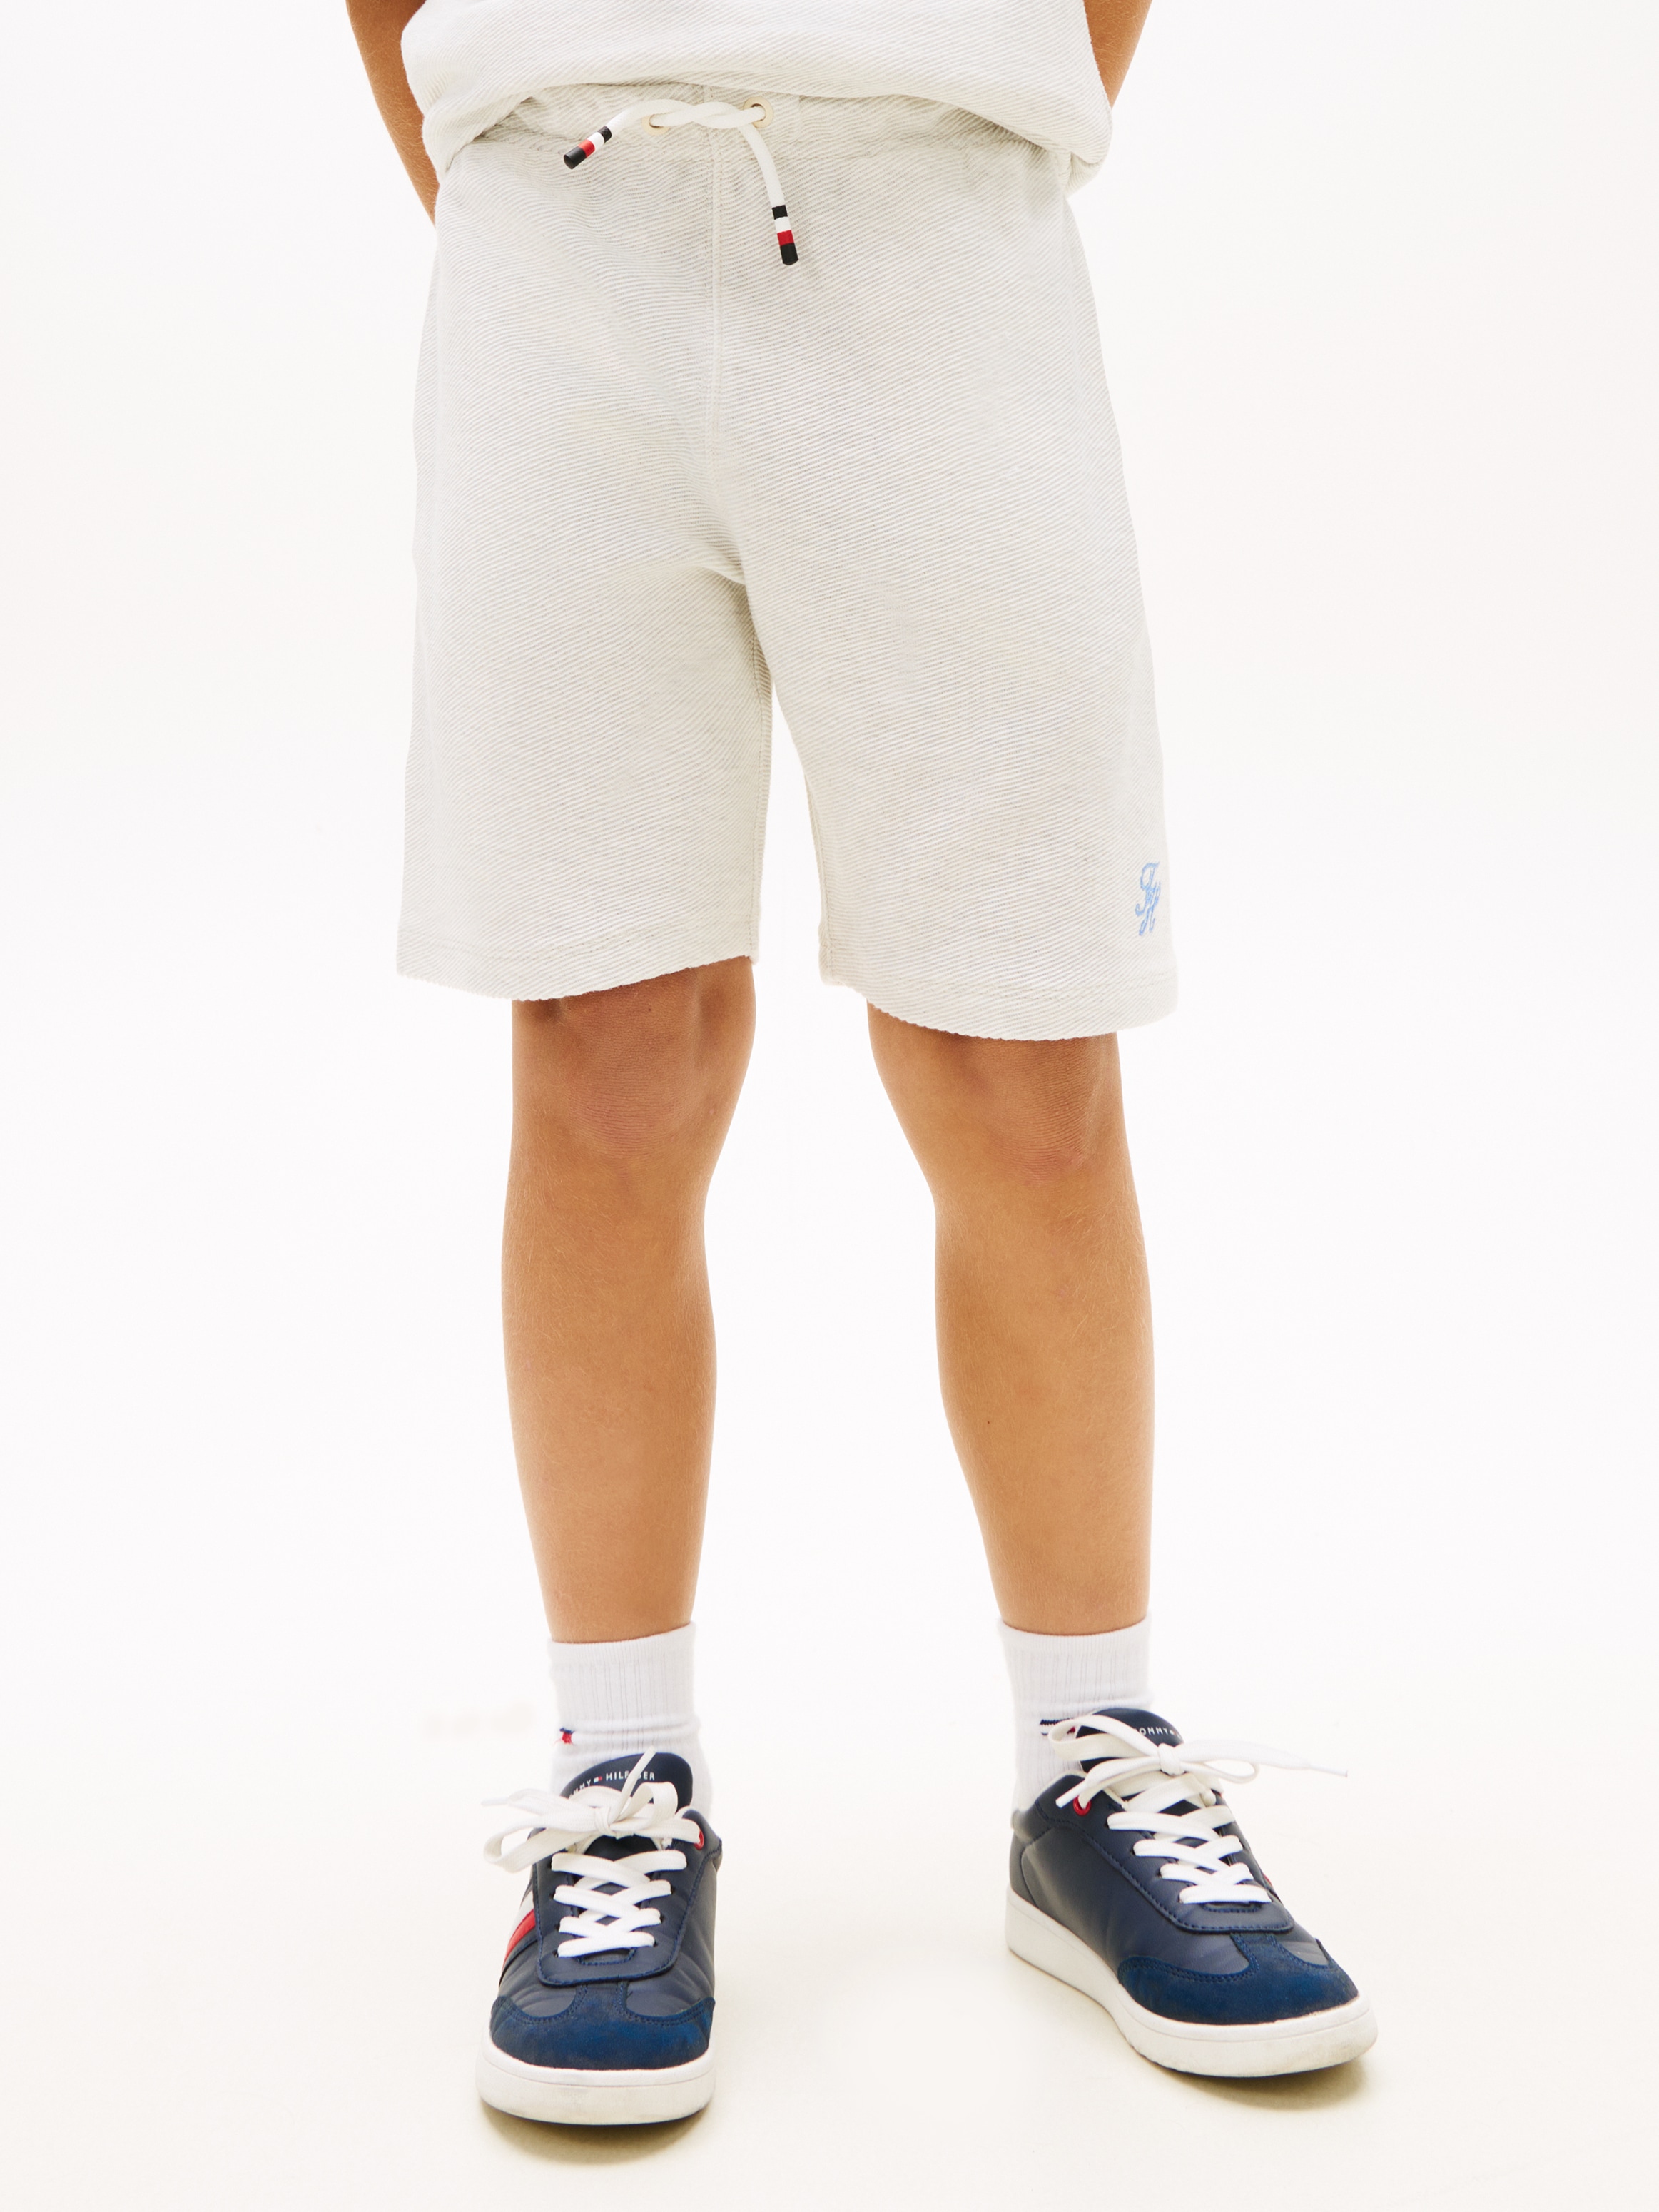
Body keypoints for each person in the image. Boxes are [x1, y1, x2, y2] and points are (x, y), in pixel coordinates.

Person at [347, 0, 1375, 2127]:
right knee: (606, 1047)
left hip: (940, 231)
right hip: (558, 229)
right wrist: (505, 159)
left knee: (1022, 1057)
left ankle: (1088, 1759)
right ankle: (620, 1778)